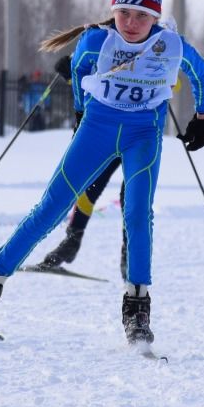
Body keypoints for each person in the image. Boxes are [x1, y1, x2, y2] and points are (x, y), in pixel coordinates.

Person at [0, 0, 204, 345]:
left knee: (136, 213)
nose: (131, 23)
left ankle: (137, 310)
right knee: (49, 208)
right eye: (124, 13)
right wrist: (83, 114)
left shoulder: (170, 46)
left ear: (156, 16)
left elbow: (201, 74)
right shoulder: (97, 41)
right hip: (97, 129)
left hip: (143, 135)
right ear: (113, 10)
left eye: (142, 15)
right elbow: (82, 71)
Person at [37, 51, 128, 275]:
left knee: (132, 198)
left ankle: (131, 253)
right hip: (107, 133)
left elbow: (172, 86)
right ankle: (72, 242)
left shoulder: (155, 43)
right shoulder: (107, 44)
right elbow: (91, 84)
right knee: (90, 188)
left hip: (139, 136)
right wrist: (72, 73)